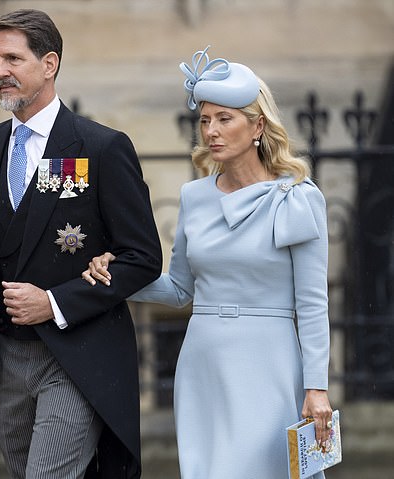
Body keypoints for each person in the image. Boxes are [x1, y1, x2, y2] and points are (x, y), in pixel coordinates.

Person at [82, 46, 334, 479]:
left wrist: (317, 388)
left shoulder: (297, 197)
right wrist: (116, 273)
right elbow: (179, 290)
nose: (211, 131)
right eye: (204, 119)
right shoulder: (194, 197)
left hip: (269, 363)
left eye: (224, 118)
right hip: (203, 363)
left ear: (257, 125)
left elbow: (312, 303)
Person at [0, 9, 162, 479]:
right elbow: (0, 254)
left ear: (50, 64)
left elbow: (143, 258)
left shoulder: (100, 147)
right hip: (9, 360)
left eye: (12, 58)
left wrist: (54, 302)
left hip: (78, 357)